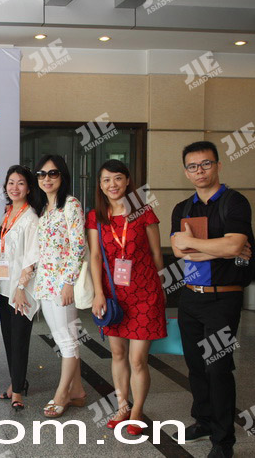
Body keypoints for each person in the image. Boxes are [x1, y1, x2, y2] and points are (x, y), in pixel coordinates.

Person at [170, 141, 254, 458]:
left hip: (223, 299)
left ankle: (223, 440)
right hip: (190, 297)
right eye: (193, 166)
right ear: (186, 172)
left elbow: (234, 246)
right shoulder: (182, 208)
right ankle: (203, 421)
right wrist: (220, 248)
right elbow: (179, 250)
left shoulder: (234, 202)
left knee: (217, 368)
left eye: (206, 164)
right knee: (195, 366)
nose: (200, 171)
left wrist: (195, 244)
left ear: (218, 165)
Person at [88, 159, 166, 435]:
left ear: (128, 181)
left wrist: (158, 288)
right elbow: (95, 257)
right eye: (106, 180)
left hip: (145, 293)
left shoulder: (144, 212)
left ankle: (137, 412)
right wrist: (98, 293)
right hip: (113, 296)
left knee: (137, 359)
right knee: (118, 353)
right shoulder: (96, 216)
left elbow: (157, 254)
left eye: (118, 178)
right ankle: (122, 406)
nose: (113, 184)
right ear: (100, 185)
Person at [32, 155, 87, 418]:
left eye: (52, 173)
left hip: (62, 283)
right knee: (62, 337)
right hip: (45, 282)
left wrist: (68, 283)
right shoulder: (44, 208)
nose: (47, 179)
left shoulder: (71, 205)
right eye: (42, 174)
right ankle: (78, 390)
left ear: (62, 176)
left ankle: (62, 394)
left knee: (67, 340)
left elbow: (79, 246)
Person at [0, 165, 42, 411]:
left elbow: (32, 257)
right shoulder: (7, 213)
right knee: (9, 338)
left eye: (20, 183)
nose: (15, 187)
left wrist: (22, 287)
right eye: (11, 182)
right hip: (5, 287)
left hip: (20, 290)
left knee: (19, 340)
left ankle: (18, 392)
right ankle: (15, 382)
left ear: (29, 188)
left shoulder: (30, 218)